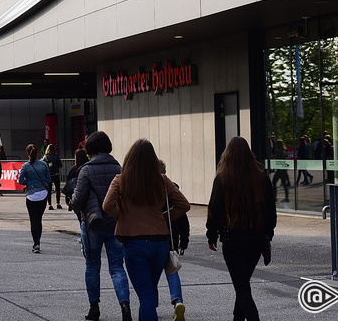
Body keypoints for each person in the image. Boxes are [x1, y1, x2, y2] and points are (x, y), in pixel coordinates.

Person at [103, 139, 190, 321]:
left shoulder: (120, 180)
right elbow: (183, 205)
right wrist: (163, 218)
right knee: (149, 290)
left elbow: (107, 205)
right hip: (160, 241)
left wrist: (124, 218)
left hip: (134, 242)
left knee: (145, 294)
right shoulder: (162, 180)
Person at [206, 136, 276, 321]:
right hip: (256, 238)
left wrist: (211, 235)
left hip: (232, 240)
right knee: (243, 285)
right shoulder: (262, 178)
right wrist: (267, 235)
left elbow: (214, 209)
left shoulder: (222, 178)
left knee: (242, 288)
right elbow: (270, 211)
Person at [68, 131, 131, 321]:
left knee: (92, 265)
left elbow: (78, 201)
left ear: (91, 150)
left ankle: (94, 308)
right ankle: (125, 307)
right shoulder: (120, 168)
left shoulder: (85, 170)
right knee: (117, 268)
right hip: (115, 222)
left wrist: (72, 202)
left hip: (93, 224)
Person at [160, 159, 189, 321]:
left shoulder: (150, 191)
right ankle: (178, 301)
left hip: (155, 240)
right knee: (172, 272)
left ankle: (152, 303)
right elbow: (184, 222)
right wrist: (184, 242)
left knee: (152, 275)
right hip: (171, 242)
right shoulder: (174, 191)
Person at [17, 143, 51, 253]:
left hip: (31, 194)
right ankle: (38, 242)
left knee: (33, 220)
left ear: (27, 153)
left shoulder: (25, 166)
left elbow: (21, 181)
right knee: (39, 219)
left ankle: (36, 243)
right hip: (43, 194)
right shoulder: (43, 165)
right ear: (37, 153)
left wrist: (29, 182)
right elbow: (48, 179)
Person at [43, 144, 62, 210]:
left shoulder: (45, 157)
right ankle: (58, 203)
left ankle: (50, 204)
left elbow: (43, 166)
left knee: (49, 190)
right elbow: (60, 165)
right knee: (58, 189)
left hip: (49, 175)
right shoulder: (56, 156)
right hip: (56, 174)